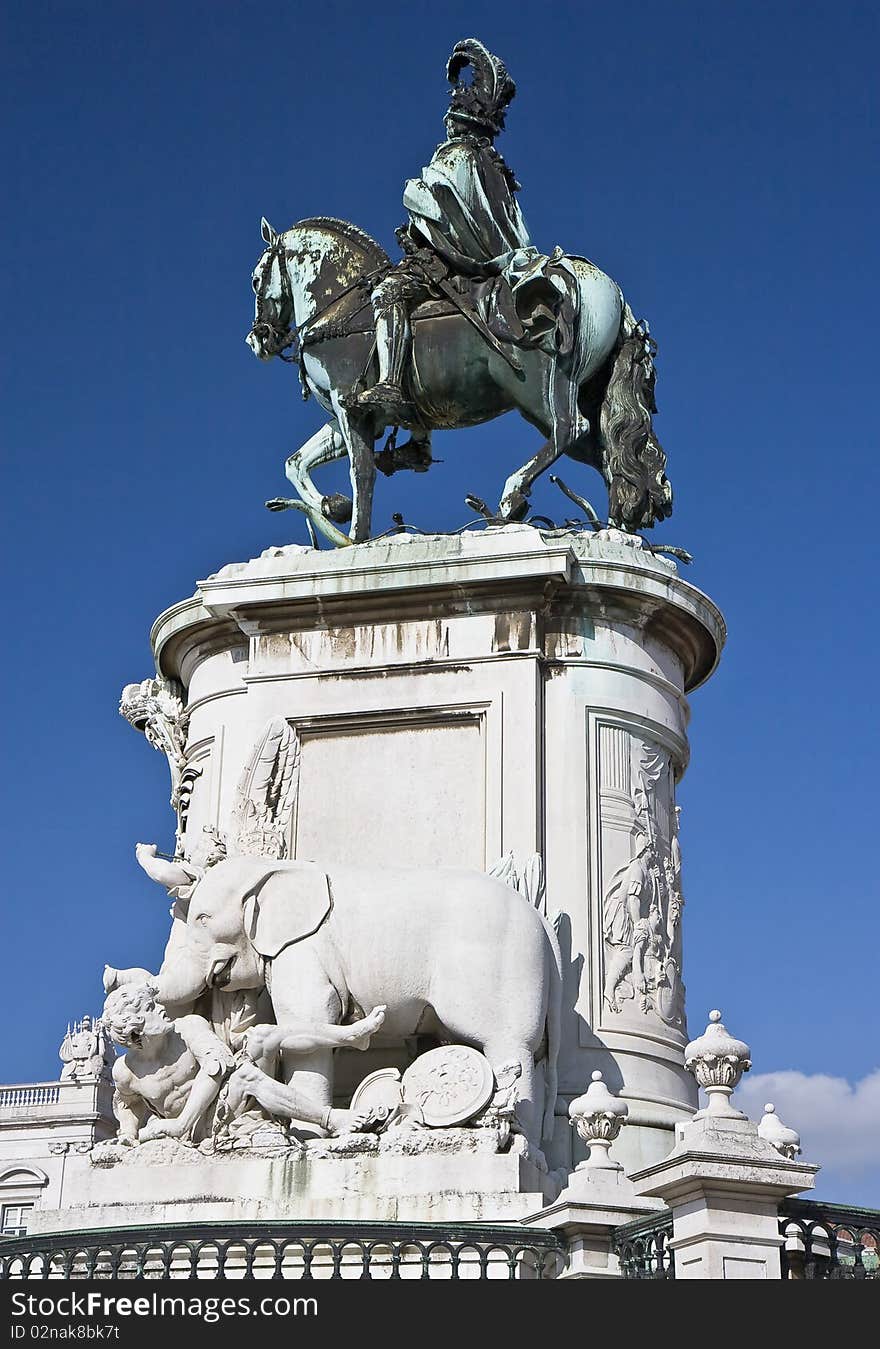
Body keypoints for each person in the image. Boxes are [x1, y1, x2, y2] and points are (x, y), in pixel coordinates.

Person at [355, 38, 560, 426]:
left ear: (461, 121)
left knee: (387, 292)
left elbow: (439, 205)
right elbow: (491, 222)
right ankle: (417, 437)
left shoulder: (455, 156)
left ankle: (389, 384)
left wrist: (416, 205)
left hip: (444, 265)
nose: (448, 121)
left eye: (452, 115)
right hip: (479, 263)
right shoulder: (493, 165)